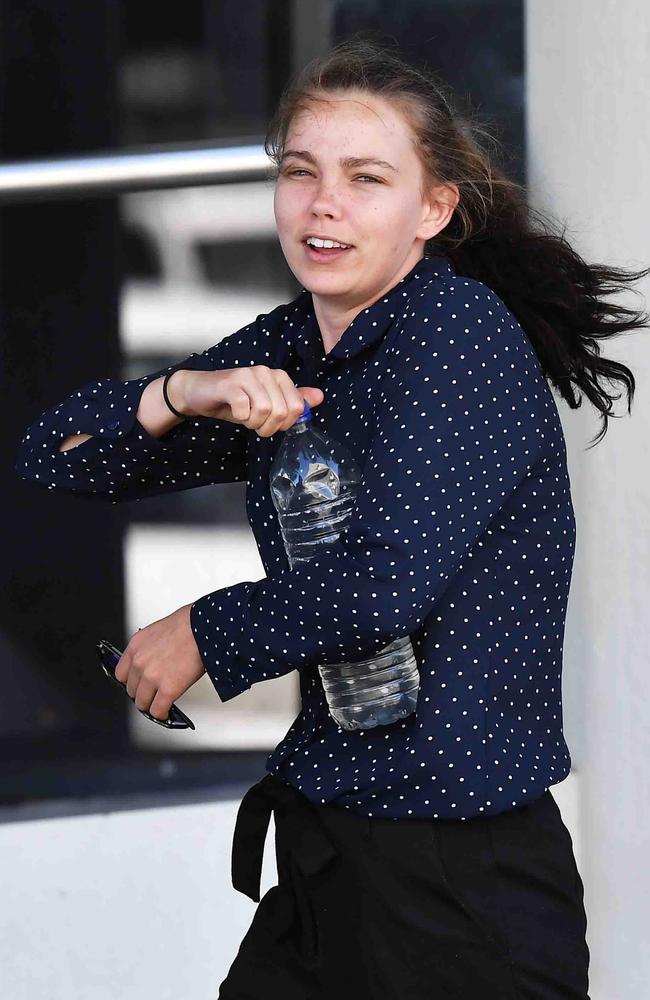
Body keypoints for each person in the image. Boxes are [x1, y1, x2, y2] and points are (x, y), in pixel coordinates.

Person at [15, 35, 650, 1000]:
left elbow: (386, 579)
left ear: (432, 209)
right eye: (302, 173)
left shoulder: (458, 334)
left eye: (366, 178)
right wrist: (185, 390)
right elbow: (52, 460)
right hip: (329, 856)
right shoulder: (289, 348)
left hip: (459, 884)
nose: (324, 205)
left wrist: (202, 631)